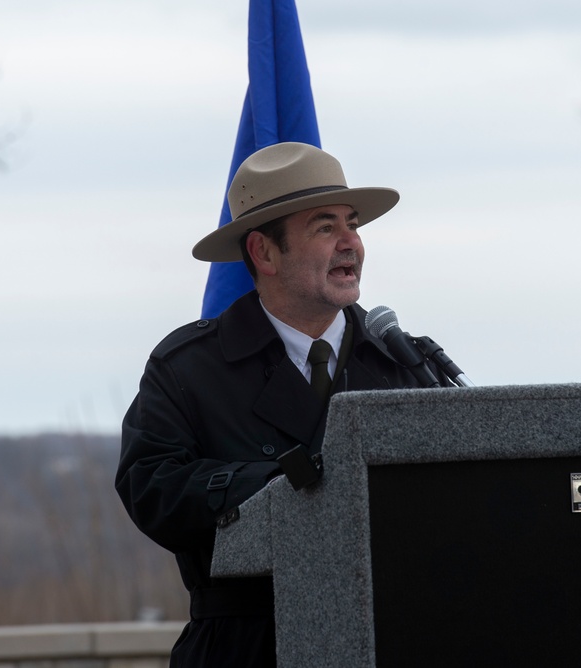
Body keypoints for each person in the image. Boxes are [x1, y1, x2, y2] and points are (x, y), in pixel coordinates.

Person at [115, 142, 441, 667]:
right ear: (264, 253)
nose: (350, 244)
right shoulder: (189, 369)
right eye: (324, 227)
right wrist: (283, 484)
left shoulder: (405, 364)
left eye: (352, 224)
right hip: (245, 647)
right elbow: (151, 490)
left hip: (392, 640)